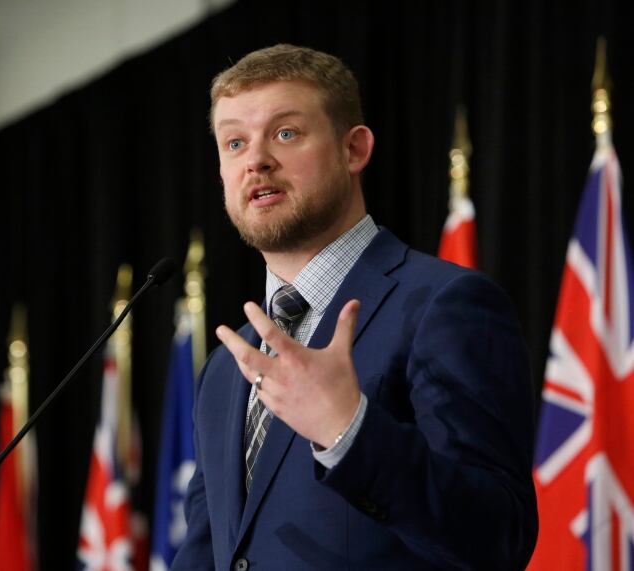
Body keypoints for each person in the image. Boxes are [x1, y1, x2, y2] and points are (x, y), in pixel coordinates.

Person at [172, 44, 538, 570]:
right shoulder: (226, 371)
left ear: (354, 149)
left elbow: (498, 537)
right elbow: (209, 554)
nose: (256, 160)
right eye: (234, 142)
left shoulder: (444, 306)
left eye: (286, 133)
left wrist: (348, 430)